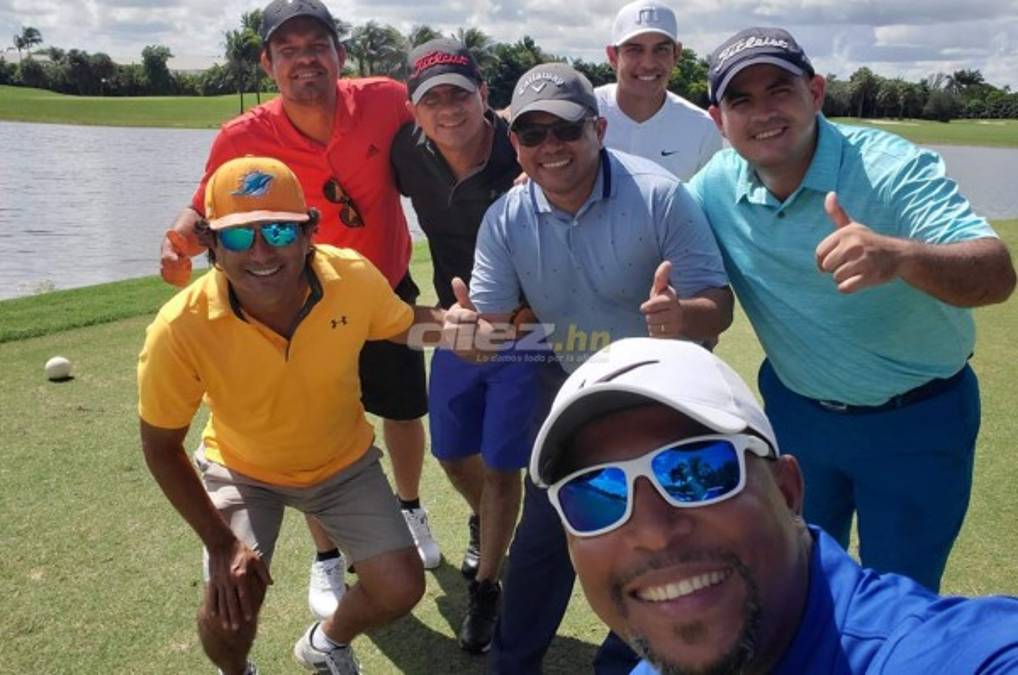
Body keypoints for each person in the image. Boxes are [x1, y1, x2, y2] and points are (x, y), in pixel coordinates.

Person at [686, 27, 1017, 591]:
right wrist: (544, 182)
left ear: (815, 93)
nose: (763, 112)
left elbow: (995, 272)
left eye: (779, 90)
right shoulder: (713, 187)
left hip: (918, 421)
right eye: (741, 100)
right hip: (797, 418)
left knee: (902, 594)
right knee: (800, 578)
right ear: (719, 120)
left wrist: (902, 256)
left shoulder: (891, 168)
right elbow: (651, 215)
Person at [158, 0, 440, 620]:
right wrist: (178, 237)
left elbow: (454, 121)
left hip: (382, 285)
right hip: (297, 303)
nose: (305, 58)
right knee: (318, 427)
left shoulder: (387, 98)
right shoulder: (242, 134)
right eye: (288, 49)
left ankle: (410, 505)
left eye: (317, 45)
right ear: (268, 63)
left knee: (402, 411)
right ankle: (328, 555)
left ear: (340, 54)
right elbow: (207, 197)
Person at [447, 62, 733, 673]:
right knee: (544, 539)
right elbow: (492, 329)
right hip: (575, 383)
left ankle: (624, 663)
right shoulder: (505, 218)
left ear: (598, 129)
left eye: (566, 130)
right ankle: (512, 664)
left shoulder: (659, 195)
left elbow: (719, 307)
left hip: (664, 388)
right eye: (532, 134)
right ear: (515, 143)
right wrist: (471, 338)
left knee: (657, 536)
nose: (550, 147)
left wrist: (683, 316)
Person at [529, 337, 1018, 675]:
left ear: (787, 491)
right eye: (594, 495)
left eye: (698, 472)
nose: (653, 530)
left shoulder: (943, 653)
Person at [138, 156, 450, 674]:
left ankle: (326, 642)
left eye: (279, 230)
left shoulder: (349, 276)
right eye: (238, 238)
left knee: (400, 587)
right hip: (243, 469)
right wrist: (220, 543)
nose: (261, 252)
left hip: (342, 464)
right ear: (212, 246)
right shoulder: (179, 327)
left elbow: (403, 325)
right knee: (229, 612)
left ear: (309, 233)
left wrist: (469, 332)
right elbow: (160, 446)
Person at [389, 37, 547, 653]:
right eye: (433, 99)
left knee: (503, 466)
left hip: (529, 326)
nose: (448, 109)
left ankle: (487, 587)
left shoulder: (526, 144)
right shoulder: (407, 151)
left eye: (460, 93)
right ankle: (490, 522)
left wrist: (527, 312)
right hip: (452, 322)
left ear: (485, 95)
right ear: (415, 110)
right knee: (453, 455)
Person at [596, 0, 722, 180]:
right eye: (635, 50)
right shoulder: (581, 117)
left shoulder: (704, 129)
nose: (648, 64)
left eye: (660, 50)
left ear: (676, 54)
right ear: (612, 56)